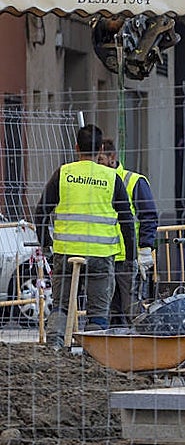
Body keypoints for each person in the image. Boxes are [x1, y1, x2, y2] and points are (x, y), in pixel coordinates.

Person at [34, 124, 135, 349]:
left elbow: (41, 211)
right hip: (101, 255)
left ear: (76, 147)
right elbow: (127, 219)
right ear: (100, 149)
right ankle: (94, 352)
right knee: (98, 309)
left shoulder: (63, 173)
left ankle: (55, 347)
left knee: (61, 304)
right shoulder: (110, 177)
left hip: (67, 253)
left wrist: (47, 243)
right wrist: (131, 255)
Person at [98, 139, 160, 326]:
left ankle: (145, 346)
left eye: (100, 159)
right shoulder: (98, 183)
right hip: (104, 257)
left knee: (133, 310)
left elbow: (149, 216)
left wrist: (145, 248)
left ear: (112, 158)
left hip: (128, 259)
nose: (97, 164)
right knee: (109, 311)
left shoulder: (133, 181)